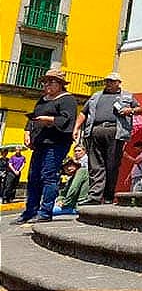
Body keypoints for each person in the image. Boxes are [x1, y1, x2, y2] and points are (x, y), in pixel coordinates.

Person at [15, 69, 77, 224]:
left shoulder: (67, 100)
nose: (47, 85)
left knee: (48, 176)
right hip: (40, 143)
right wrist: (27, 131)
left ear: (61, 84)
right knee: (33, 177)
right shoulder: (42, 100)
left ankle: (45, 212)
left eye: (51, 81)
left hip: (56, 144)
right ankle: (30, 211)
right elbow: (33, 117)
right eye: (45, 82)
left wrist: (49, 120)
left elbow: (66, 120)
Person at [73, 72, 141, 205]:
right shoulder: (96, 96)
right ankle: (94, 196)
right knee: (95, 165)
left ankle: (108, 196)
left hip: (115, 131)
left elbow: (139, 109)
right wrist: (76, 127)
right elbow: (83, 112)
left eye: (112, 81)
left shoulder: (127, 96)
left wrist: (130, 111)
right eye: (107, 81)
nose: (108, 83)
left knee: (112, 165)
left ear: (118, 83)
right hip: (95, 131)